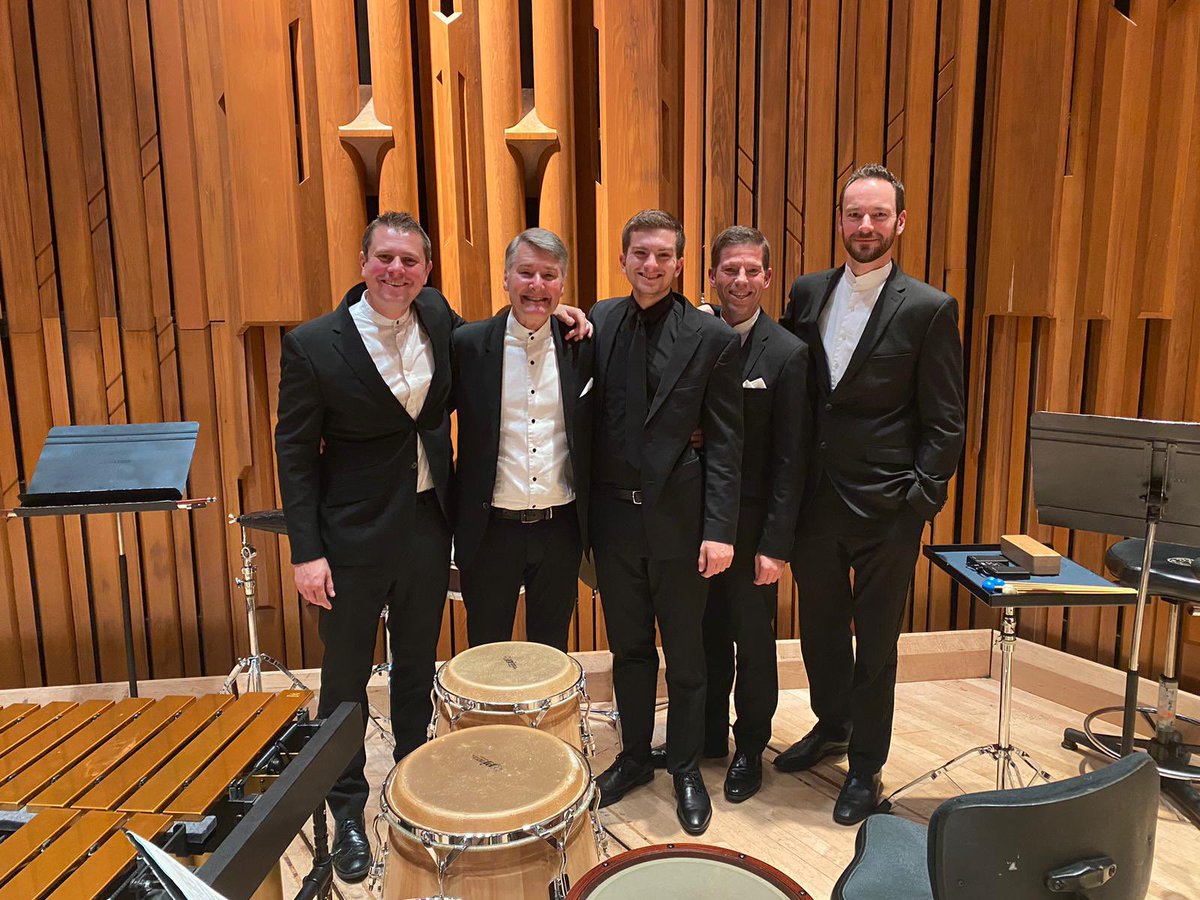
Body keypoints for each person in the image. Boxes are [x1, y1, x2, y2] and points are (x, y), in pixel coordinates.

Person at [275, 212, 589, 883]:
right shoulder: (314, 344)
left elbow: (516, 321)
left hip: (427, 527)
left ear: (426, 271)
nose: (396, 272)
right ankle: (348, 813)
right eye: (384, 258)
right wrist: (306, 550)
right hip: (349, 540)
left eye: (410, 262)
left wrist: (567, 312)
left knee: (419, 671)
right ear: (362, 261)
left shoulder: (440, 320)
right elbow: (295, 455)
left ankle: (415, 793)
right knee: (345, 684)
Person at [776, 164, 966, 825]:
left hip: (889, 507)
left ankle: (867, 764)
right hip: (813, 501)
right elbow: (775, 365)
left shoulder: (929, 308)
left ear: (899, 223)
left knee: (877, 642)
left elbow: (946, 418)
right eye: (854, 214)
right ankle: (832, 726)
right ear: (839, 220)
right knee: (821, 629)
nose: (865, 226)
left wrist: (922, 496)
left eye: (878, 216)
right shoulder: (805, 293)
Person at [589, 209, 743, 836]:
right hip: (613, 522)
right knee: (628, 650)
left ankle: (683, 767)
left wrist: (721, 529)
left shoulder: (712, 339)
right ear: (622, 259)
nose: (649, 266)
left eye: (662, 256)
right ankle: (632, 757)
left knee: (685, 657)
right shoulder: (596, 320)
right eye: (639, 254)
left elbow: (728, 444)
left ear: (681, 265)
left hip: (682, 526)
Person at [692, 226, 807, 803]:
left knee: (752, 646)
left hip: (753, 532)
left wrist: (776, 545)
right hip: (694, 529)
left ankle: (750, 746)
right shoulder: (694, 337)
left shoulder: (787, 354)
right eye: (728, 270)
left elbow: (791, 461)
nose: (739, 281)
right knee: (702, 637)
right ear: (711, 274)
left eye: (751, 271)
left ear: (767, 278)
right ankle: (708, 735)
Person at [452, 228, 593, 650]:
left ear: (562, 284)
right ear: (506, 278)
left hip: (560, 529)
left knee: (552, 653)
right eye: (525, 272)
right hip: (491, 528)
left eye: (549, 275)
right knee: (487, 652)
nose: (537, 285)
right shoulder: (468, 345)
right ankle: (492, 722)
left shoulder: (582, 345)